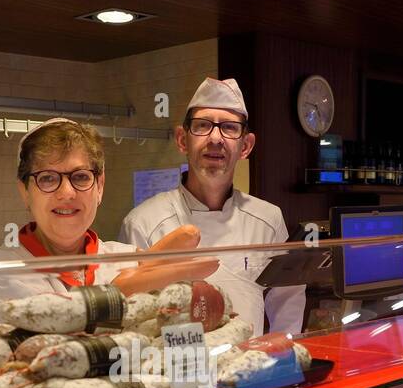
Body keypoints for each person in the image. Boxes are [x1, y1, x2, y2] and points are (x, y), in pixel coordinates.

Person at [0, 118, 208, 320]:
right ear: (25, 192)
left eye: (80, 177)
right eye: (48, 178)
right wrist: (116, 293)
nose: (67, 193)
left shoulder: (128, 260)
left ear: (99, 187)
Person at [119, 78, 306, 336]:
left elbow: (288, 302)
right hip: (173, 370)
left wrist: (282, 359)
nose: (215, 138)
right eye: (203, 126)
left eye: (229, 128)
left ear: (246, 145)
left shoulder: (268, 219)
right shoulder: (143, 222)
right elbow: (131, 316)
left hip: (251, 369)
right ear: (182, 140)